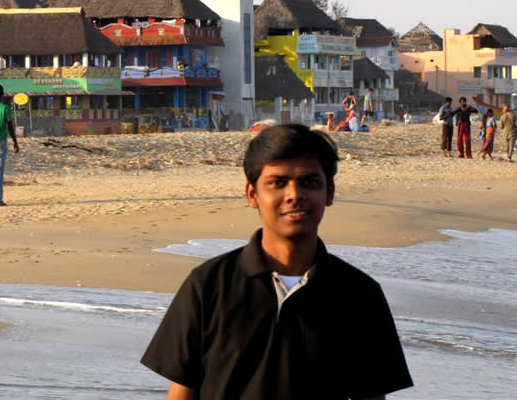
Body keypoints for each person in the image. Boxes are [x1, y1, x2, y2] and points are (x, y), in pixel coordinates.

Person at [141, 124, 413, 400]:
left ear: (329, 192)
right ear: (252, 195)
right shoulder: (208, 285)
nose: (294, 195)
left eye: (309, 182)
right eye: (278, 183)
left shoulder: (359, 294)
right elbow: (182, 391)